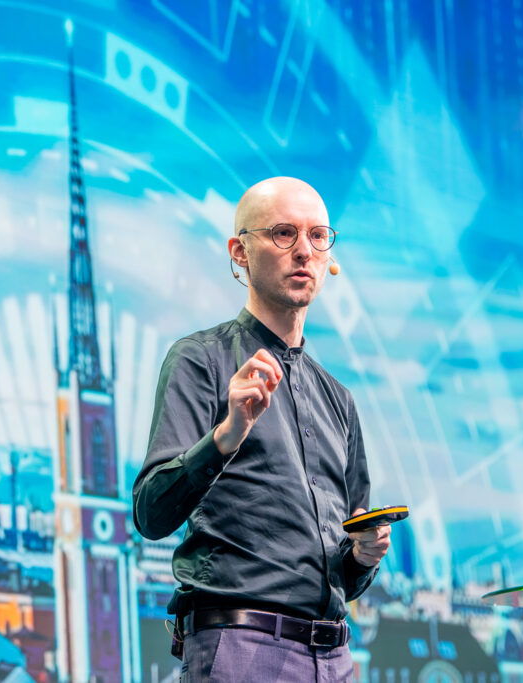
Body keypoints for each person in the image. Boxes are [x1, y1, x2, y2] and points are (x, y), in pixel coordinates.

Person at [133, 176, 390, 681]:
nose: (303, 251)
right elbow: (150, 513)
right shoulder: (200, 361)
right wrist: (226, 436)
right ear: (239, 252)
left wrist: (362, 556)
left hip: (335, 658)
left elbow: (342, 575)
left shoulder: (340, 400)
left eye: (318, 236)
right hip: (241, 651)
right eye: (282, 233)